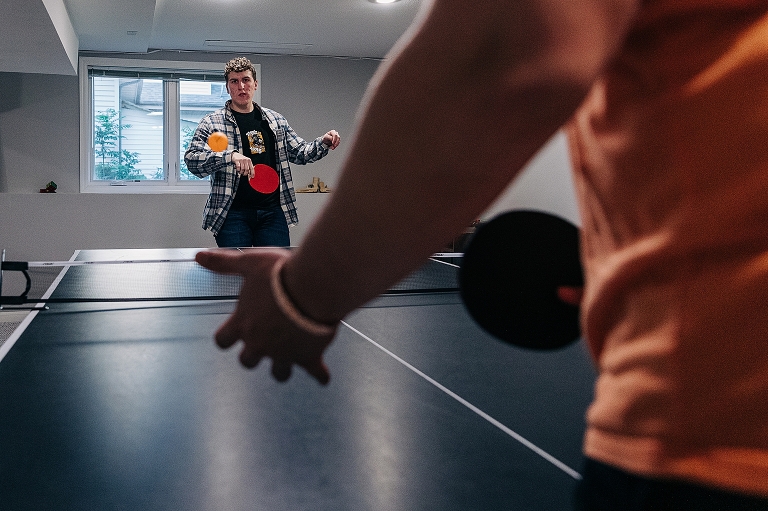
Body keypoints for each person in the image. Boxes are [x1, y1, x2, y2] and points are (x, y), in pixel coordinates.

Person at [195, 1, 768, 509]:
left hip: (710, 429)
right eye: (238, 82)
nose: (245, 88)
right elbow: (198, 158)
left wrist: (305, 295)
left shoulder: (273, 122)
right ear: (229, 87)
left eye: (250, 81)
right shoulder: (216, 123)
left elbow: (507, 50)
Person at [184, 57, 340, 247]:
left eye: (246, 80)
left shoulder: (276, 121)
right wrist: (230, 156)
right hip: (232, 213)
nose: (241, 86)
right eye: (234, 81)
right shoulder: (212, 123)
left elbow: (300, 152)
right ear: (227, 88)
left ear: (255, 84)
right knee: (236, 275)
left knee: (273, 271)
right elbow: (192, 159)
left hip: (273, 213)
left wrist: (322, 143)